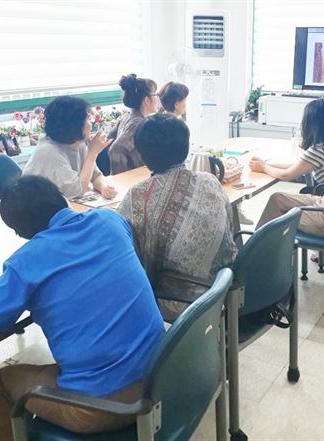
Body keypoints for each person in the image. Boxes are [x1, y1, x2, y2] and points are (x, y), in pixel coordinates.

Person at [0, 175, 164, 440]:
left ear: (20, 233)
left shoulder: (25, 263)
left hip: (105, 406)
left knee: (4, 382)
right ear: (62, 199)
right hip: (161, 373)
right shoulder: (110, 220)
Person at [117, 113, 237, 322]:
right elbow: (230, 229)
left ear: (143, 155)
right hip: (221, 287)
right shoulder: (210, 180)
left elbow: (120, 247)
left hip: (178, 302)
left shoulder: (138, 194)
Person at [250, 98, 324, 238]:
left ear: (310, 123)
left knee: (279, 215)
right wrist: (266, 164)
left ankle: (256, 249)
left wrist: (264, 167)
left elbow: (287, 175)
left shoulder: (320, 150)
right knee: (277, 199)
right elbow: (298, 166)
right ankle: (260, 245)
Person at [23, 96, 117, 200]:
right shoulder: (49, 152)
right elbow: (77, 191)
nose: (91, 124)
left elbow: (95, 175)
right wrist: (92, 153)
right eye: (88, 119)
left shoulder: (77, 143)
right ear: (75, 125)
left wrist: (103, 187)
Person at [108, 74, 159, 174]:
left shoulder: (128, 116)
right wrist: (121, 177)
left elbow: (109, 138)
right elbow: (115, 149)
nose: (158, 98)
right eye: (156, 95)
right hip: (132, 179)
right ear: (147, 100)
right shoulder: (138, 123)